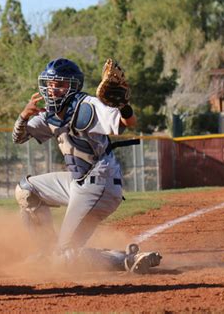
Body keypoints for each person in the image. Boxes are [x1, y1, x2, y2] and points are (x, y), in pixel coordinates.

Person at [12, 58, 161, 273]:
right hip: (78, 182)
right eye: (50, 84)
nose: (53, 89)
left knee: (66, 257)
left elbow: (128, 123)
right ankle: (48, 251)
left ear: (73, 86)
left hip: (101, 184)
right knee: (26, 190)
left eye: (60, 84)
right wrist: (23, 116)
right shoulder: (49, 115)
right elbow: (18, 137)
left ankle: (128, 259)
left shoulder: (88, 106)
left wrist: (124, 106)